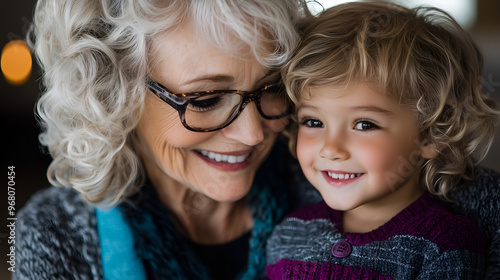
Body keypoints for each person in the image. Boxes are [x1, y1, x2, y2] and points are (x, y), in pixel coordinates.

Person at [15, 0, 314, 279]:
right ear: (114, 95)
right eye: (206, 100)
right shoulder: (55, 236)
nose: (254, 134)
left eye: (272, 87)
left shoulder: (337, 196)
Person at [265, 2, 499, 279]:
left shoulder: (443, 244)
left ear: (432, 135)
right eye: (314, 122)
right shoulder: (290, 231)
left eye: (364, 124)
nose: (331, 148)